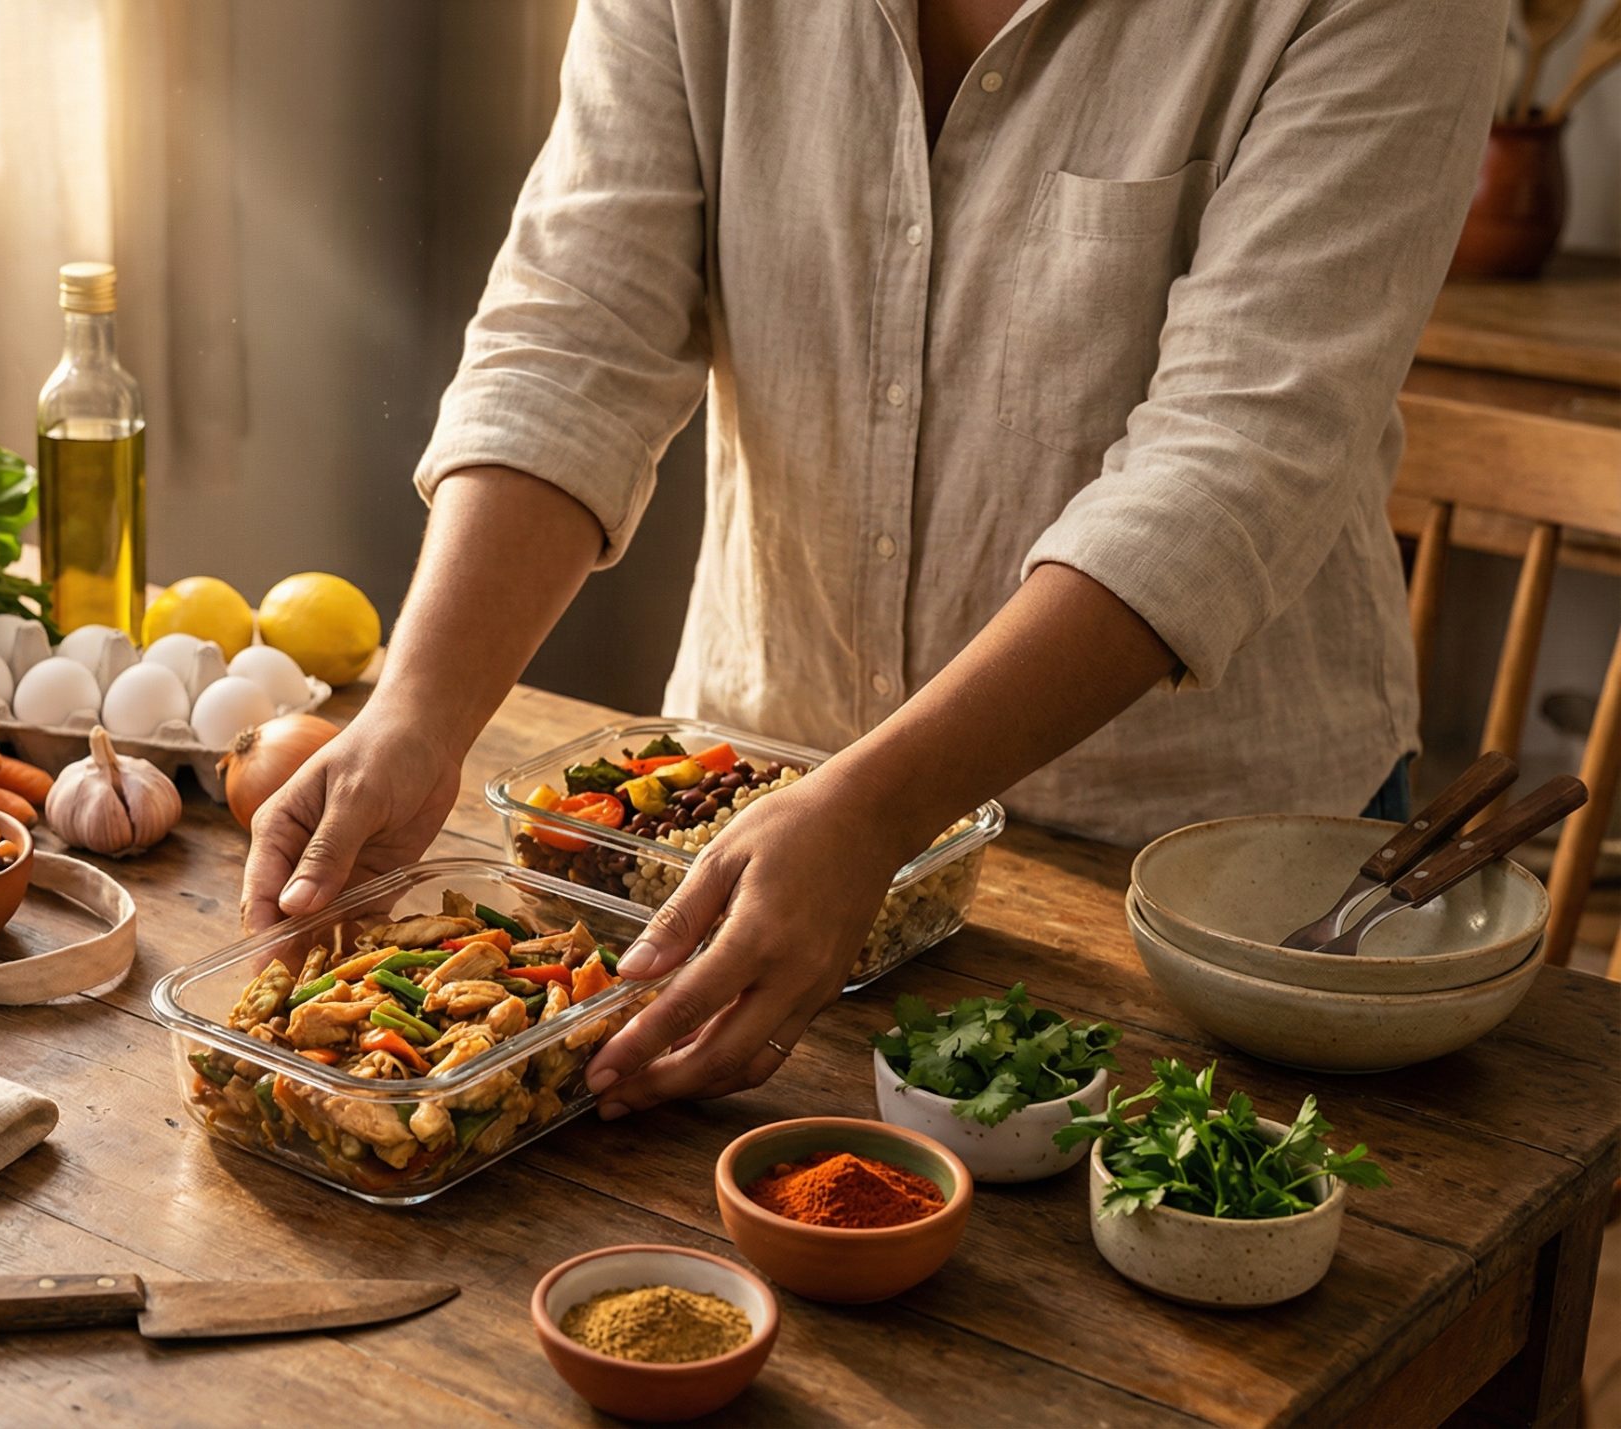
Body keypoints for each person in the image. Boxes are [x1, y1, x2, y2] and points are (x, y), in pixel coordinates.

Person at [241, 0, 1501, 1119]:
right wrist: (418, 713)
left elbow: (1232, 457)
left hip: (1195, 869)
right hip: (735, 835)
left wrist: (874, 809)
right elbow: (578, 327)